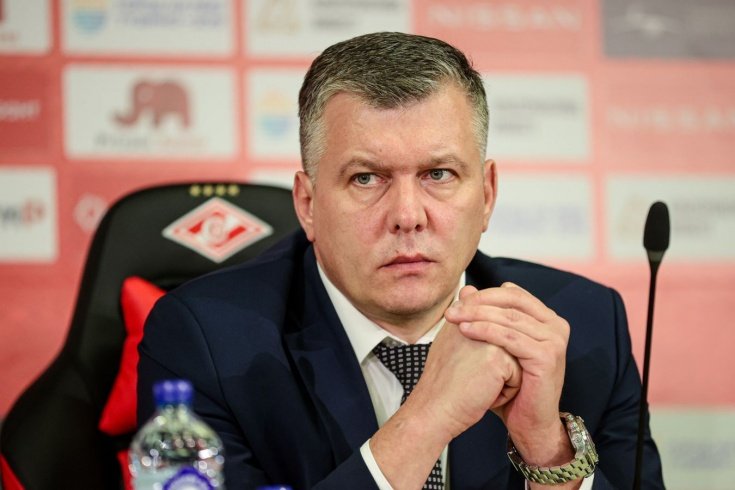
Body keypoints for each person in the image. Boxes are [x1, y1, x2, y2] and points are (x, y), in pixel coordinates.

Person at [137, 32, 664, 489]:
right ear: (308, 204)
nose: (408, 216)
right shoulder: (207, 340)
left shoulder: (585, 326)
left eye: (438, 174)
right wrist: (428, 418)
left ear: (487, 195)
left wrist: (546, 448)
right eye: (366, 178)